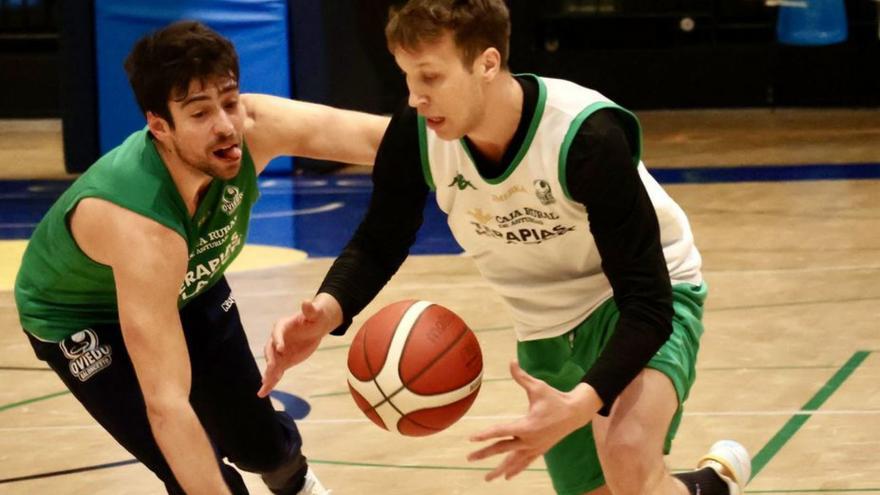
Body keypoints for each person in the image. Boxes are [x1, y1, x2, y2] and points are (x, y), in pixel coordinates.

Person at [258, 1, 756, 495]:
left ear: (487, 63)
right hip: (545, 325)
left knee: (625, 458)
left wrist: (580, 404)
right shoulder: (417, 134)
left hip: (637, 299)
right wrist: (325, 311)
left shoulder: (585, 137)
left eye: (430, 77)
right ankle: (707, 487)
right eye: (407, 77)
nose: (414, 98)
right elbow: (379, 239)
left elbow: (648, 304)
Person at [14, 20, 388, 495]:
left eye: (229, 102)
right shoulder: (140, 224)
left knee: (261, 443)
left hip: (189, 283)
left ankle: (300, 484)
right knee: (191, 468)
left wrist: (478, 137)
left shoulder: (253, 129)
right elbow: (167, 404)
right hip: (80, 317)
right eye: (199, 114)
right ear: (159, 126)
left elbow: (385, 141)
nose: (226, 126)